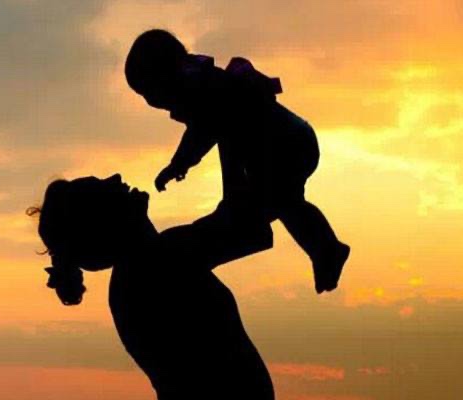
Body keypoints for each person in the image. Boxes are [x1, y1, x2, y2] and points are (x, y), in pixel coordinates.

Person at [124, 29, 350, 293]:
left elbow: (204, 132)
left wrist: (179, 164)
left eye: (147, 92)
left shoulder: (201, 87)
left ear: (165, 76)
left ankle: (327, 249)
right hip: (285, 145)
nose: (150, 101)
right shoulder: (202, 82)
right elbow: (207, 130)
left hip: (285, 146)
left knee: (282, 203)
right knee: (283, 204)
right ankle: (324, 250)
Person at [28, 173, 275, 400]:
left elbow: (243, 217)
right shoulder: (155, 261)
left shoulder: (141, 269)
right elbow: (249, 226)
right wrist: (229, 141)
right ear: (105, 221)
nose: (116, 178)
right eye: (103, 187)